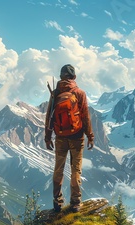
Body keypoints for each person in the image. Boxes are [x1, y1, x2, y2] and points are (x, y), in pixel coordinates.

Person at [44, 64, 94, 213]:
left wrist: (48, 138)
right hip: (77, 137)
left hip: (60, 138)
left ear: (61, 77)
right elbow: (85, 117)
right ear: (74, 77)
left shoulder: (55, 93)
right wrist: (90, 136)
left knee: (58, 169)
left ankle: (57, 201)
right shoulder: (80, 93)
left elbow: (49, 118)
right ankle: (75, 203)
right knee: (75, 170)